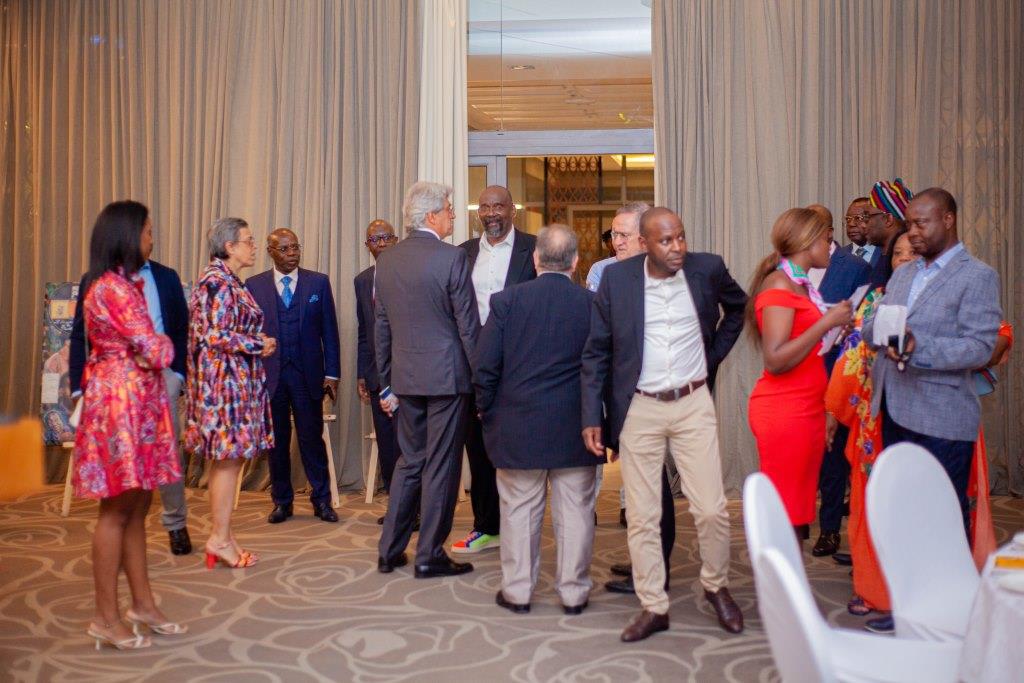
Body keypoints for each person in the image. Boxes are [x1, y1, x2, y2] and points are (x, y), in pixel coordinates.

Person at [581, 207, 747, 641]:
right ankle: (653, 605)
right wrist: (592, 415)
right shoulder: (617, 281)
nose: (677, 248)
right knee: (643, 515)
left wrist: (712, 358)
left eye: (681, 237)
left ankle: (716, 586)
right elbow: (596, 351)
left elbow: (738, 308)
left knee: (711, 508)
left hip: (693, 404)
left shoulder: (706, 269)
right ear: (644, 244)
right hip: (641, 408)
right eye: (666, 241)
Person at [861, 188, 1002, 632]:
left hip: (942, 417)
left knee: (941, 519)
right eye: (909, 224)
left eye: (921, 223)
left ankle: (949, 615)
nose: (913, 232)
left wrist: (918, 347)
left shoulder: (977, 276)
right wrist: (877, 331)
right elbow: (877, 323)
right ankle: (907, 608)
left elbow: (979, 346)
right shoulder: (904, 273)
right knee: (903, 514)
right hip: (895, 408)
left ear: (948, 220)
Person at [73, 200, 185, 650]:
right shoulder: (112, 289)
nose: (152, 239)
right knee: (116, 511)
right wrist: (157, 344)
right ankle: (105, 617)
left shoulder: (125, 285)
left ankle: (143, 604)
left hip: (139, 403)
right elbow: (157, 350)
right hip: (120, 406)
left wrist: (154, 346)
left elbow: (153, 349)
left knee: (138, 507)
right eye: (148, 231)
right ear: (127, 235)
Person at [474, 224, 596, 615]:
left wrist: (487, 410)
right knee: (575, 512)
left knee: (519, 511)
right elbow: (604, 368)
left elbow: (485, 367)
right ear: (575, 262)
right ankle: (573, 594)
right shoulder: (593, 304)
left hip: (518, 425)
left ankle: (518, 592)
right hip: (576, 426)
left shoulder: (506, 301)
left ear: (536, 259)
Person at [375, 181, 480, 578]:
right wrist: (482, 378)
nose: (453, 214)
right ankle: (429, 554)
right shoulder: (452, 258)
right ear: (432, 215)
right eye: (449, 209)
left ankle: (389, 550)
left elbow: (381, 325)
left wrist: (386, 379)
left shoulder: (387, 260)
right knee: (441, 465)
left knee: (410, 461)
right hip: (448, 378)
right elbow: (468, 326)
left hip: (405, 376)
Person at [747, 208, 853, 543]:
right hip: (785, 410)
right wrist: (826, 323)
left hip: (806, 407)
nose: (831, 245)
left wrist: (826, 408)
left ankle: (787, 573)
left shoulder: (801, 284)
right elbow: (775, 359)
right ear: (808, 242)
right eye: (826, 239)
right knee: (784, 512)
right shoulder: (780, 283)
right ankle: (777, 574)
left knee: (797, 511)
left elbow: (807, 349)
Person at [825, 227, 913, 625]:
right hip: (875, 418)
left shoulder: (935, 295)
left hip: (925, 416)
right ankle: (874, 585)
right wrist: (834, 411)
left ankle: (920, 589)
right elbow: (852, 357)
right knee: (875, 502)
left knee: (916, 505)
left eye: (912, 253)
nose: (904, 259)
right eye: (897, 254)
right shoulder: (876, 300)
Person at [185, 217, 276, 569]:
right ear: (229, 246)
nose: (254, 247)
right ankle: (219, 539)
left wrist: (254, 342)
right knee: (226, 460)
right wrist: (257, 344)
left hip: (233, 383)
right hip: (222, 387)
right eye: (248, 241)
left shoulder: (229, 280)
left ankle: (225, 536)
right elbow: (213, 334)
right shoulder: (216, 281)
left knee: (231, 461)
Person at [452, 185, 536, 555]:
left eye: (498, 206)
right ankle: (487, 526)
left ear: (512, 209)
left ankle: (522, 525)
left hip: (520, 366)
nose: (491, 213)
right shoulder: (463, 253)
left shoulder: (533, 249)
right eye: (484, 207)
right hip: (474, 366)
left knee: (520, 447)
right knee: (478, 447)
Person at [247, 228, 341, 524]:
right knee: (276, 443)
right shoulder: (254, 286)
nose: (292, 254)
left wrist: (332, 374)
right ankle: (282, 502)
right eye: (284, 249)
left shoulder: (318, 283)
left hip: (307, 376)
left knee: (312, 439)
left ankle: (322, 501)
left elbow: (330, 332)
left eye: (295, 248)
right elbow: (248, 335)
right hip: (271, 376)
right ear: (271, 252)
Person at [805, 204, 871, 558]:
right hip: (798, 376)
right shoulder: (788, 267)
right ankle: (798, 518)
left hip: (836, 375)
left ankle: (829, 528)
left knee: (832, 457)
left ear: (829, 231)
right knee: (802, 452)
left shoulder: (855, 267)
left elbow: (865, 322)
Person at [355, 219, 403, 522]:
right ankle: (396, 507)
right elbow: (364, 331)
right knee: (386, 446)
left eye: (387, 237)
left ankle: (416, 507)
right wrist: (363, 372)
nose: (382, 243)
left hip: (408, 375)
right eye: (375, 239)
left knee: (408, 445)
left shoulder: (408, 274)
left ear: (396, 240)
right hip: (377, 378)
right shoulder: (362, 281)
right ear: (367, 245)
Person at [585, 202, 649, 293]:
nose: (616, 242)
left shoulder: (665, 271)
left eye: (624, 235)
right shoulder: (601, 270)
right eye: (614, 234)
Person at [863, 179, 913, 287]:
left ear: (888, 219)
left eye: (867, 216)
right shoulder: (884, 255)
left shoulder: (903, 259)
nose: (863, 224)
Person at [842, 197, 879, 267]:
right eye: (848, 219)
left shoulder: (888, 253)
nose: (851, 224)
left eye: (858, 218)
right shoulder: (838, 256)